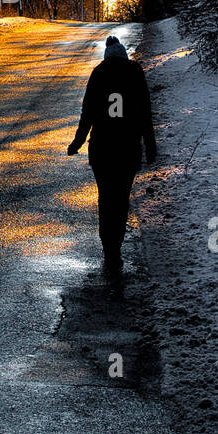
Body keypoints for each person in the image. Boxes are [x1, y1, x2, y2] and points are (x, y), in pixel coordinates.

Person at [67, 35, 157, 280]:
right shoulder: (134, 72)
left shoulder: (99, 73)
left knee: (105, 199)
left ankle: (109, 250)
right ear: (124, 55)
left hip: (103, 149)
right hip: (128, 149)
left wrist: (77, 142)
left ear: (107, 56)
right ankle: (116, 245)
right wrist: (150, 146)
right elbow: (144, 111)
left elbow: (87, 113)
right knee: (121, 199)